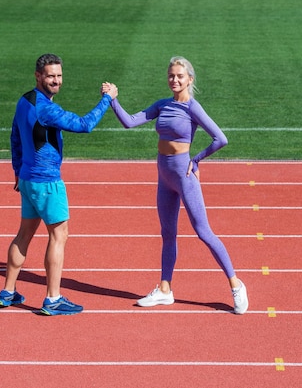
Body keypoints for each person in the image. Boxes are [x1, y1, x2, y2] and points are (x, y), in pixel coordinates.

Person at [103, 56, 248, 314]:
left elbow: (220, 138)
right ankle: (165, 289)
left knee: (203, 231)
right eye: (171, 76)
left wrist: (197, 159)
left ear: (190, 79)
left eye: (180, 76)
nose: (175, 80)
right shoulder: (162, 105)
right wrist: (113, 99)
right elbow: (129, 121)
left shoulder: (192, 108)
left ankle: (236, 285)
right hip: (164, 176)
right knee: (167, 234)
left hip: (184, 175)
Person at [0, 53, 118, 316]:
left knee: (24, 234)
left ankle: (7, 292)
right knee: (59, 235)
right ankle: (53, 299)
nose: (56, 81)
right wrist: (108, 98)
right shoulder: (46, 109)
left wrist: (17, 170)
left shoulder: (23, 101)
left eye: (59, 76)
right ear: (38, 76)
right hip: (47, 181)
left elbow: (15, 136)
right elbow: (84, 125)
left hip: (28, 179)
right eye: (50, 76)